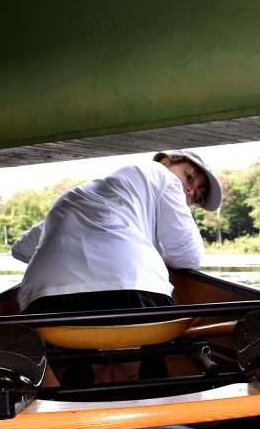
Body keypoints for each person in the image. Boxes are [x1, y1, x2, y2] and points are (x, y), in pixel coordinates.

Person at [11, 150, 222, 383]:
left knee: (72, 369)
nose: (191, 192)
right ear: (166, 160)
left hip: (45, 303)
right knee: (152, 364)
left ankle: (75, 404)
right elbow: (189, 256)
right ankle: (152, 403)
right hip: (129, 293)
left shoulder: (77, 197)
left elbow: (21, 249)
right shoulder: (160, 174)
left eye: (198, 197)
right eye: (190, 178)